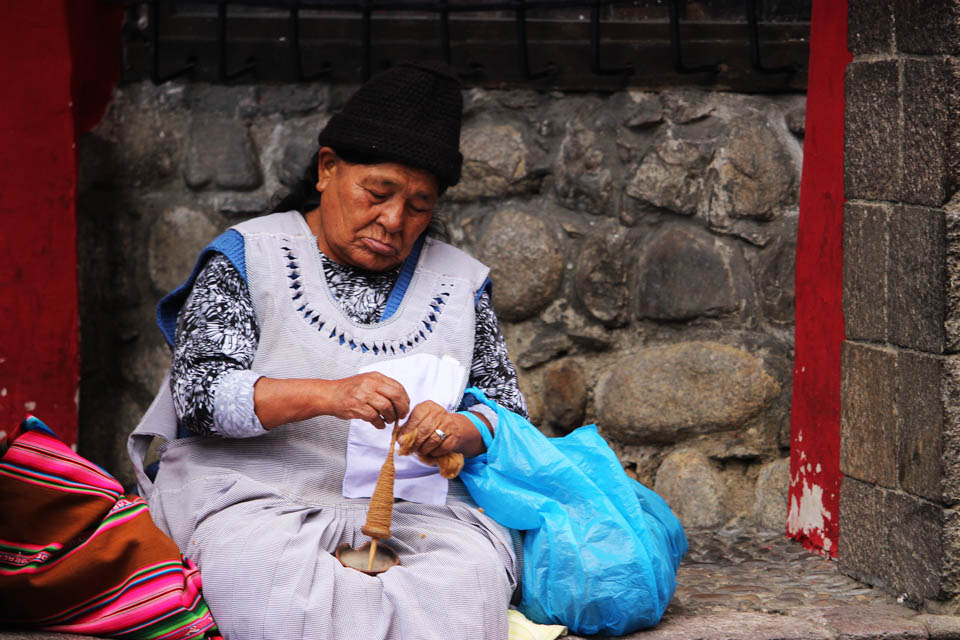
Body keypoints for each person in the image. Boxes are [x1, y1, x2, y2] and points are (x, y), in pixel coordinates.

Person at [129, 61, 528, 640]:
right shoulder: (250, 255)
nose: (393, 220)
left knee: (465, 593)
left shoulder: (460, 285)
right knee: (272, 593)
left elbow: (505, 413)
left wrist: (458, 429)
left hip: (424, 516)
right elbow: (201, 395)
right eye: (378, 193)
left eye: (419, 205)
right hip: (257, 501)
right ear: (327, 169)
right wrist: (330, 395)